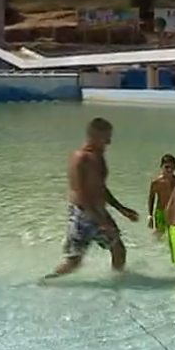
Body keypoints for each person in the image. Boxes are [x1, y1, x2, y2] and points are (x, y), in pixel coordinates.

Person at [45, 118, 140, 279]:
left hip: (98, 211)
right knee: (74, 261)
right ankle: (47, 282)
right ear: (94, 136)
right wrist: (101, 221)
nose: (109, 142)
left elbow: (100, 188)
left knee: (118, 248)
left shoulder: (98, 157)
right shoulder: (80, 158)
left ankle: (117, 281)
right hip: (84, 214)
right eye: (106, 137)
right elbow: (79, 193)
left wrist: (121, 209)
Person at [146, 154, 175, 238]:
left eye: (172, 167)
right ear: (161, 167)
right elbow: (151, 198)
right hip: (161, 211)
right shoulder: (156, 182)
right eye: (167, 167)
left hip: (174, 211)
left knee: (174, 233)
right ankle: (152, 247)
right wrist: (150, 215)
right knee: (159, 234)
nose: (170, 170)